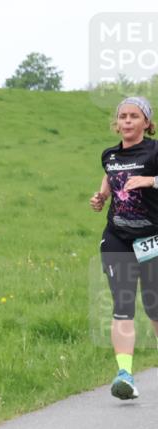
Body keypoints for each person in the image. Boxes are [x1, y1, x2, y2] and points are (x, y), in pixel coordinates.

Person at [90, 96, 158, 399]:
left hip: (152, 237)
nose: (127, 121)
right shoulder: (109, 155)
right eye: (122, 116)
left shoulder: (155, 151)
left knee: (155, 307)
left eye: (134, 116)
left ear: (146, 122)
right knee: (123, 304)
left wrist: (150, 181)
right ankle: (125, 376)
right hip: (117, 236)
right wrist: (102, 196)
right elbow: (110, 175)